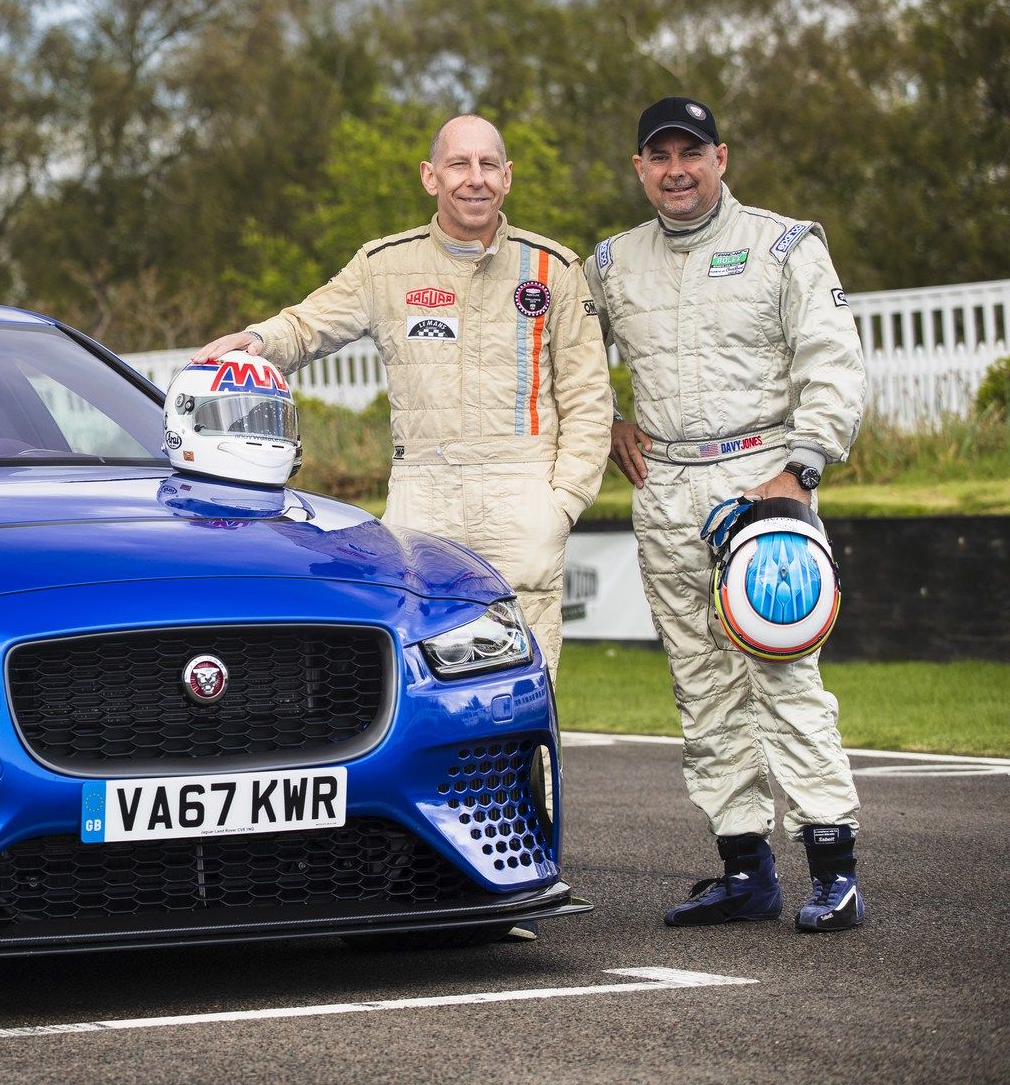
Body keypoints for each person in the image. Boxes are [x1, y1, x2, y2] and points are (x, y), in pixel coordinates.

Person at [583, 95, 868, 932]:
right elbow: (558, 353)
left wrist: (802, 465)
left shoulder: (784, 245)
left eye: (691, 154)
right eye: (659, 156)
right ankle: (745, 869)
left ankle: (834, 867)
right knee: (699, 684)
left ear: (721, 158)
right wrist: (605, 415)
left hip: (763, 482)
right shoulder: (610, 262)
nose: (676, 170)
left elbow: (832, 360)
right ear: (639, 168)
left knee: (782, 672)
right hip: (665, 485)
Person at [191, 114, 612, 674]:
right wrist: (256, 341)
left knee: (524, 694)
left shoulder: (554, 268)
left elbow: (588, 397)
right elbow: (308, 325)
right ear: (430, 176)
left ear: (508, 177)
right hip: (423, 498)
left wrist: (561, 503)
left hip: (523, 495)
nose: (475, 178)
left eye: (488, 164)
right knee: (421, 681)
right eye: (459, 163)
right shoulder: (384, 266)